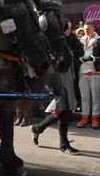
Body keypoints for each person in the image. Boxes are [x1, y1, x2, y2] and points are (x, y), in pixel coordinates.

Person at [31, 19, 83, 154]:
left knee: (63, 112)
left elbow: (78, 54)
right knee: (63, 112)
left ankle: (37, 128)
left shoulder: (70, 40)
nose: (69, 30)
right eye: (67, 28)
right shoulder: (52, 41)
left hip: (68, 77)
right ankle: (63, 145)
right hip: (57, 78)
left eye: (70, 28)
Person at [76, 21, 100, 128]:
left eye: (88, 28)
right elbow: (76, 54)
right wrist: (79, 59)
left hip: (95, 72)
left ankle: (95, 117)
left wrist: (92, 58)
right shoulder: (80, 40)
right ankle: (84, 116)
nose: (86, 30)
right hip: (82, 71)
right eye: (85, 28)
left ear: (94, 28)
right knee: (84, 97)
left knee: (96, 96)